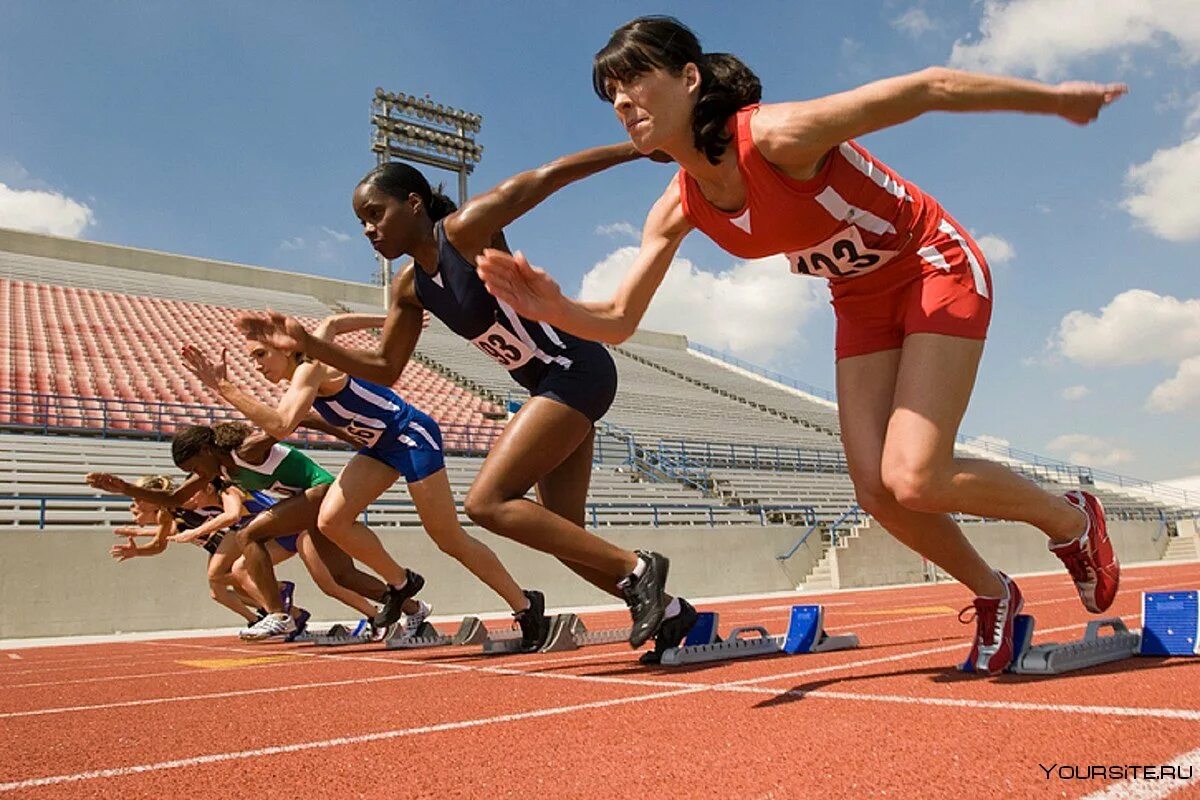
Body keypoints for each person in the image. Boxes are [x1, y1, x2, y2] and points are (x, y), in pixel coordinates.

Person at [475, 15, 1125, 674]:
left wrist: (1056, 100)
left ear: (689, 77)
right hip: (857, 300)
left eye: (634, 78)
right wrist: (550, 308)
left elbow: (928, 87)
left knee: (915, 475)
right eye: (608, 92)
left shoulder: (777, 135)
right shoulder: (677, 205)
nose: (619, 101)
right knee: (876, 491)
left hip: (932, 263)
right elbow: (616, 319)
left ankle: (1071, 521)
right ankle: (994, 592)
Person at [241, 142, 698, 656]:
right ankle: (674, 611)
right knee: (566, 538)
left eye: (376, 214)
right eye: (360, 223)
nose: (369, 230)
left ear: (413, 202)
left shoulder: (464, 230)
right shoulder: (409, 287)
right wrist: (309, 345)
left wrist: (639, 150)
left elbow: (544, 176)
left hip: (576, 370)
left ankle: (640, 569)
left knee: (486, 502)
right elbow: (385, 368)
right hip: (549, 386)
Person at [179, 312, 550, 652]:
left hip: (410, 436)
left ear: (284, 347)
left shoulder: (311, 370)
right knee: (330, 520)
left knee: (448, 538)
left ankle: (524, 604)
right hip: (379, 447)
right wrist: (390, 320)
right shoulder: (305, 364)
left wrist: (224, 387)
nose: (256, 366)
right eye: (252, 359)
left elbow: (280, 424)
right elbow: (334, 323)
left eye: (260, 355)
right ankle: (401, 583)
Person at [87, 421, 422, 640]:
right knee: (342, 577)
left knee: (249, 535)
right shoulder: (215, 469)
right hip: (304, 507)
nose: (193, 474)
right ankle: (415, 613)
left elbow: (290, 419)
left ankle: (279, 614)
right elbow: (173, 497)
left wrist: (345, 434)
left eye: (192, 467)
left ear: (205, 451)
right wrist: (124, 487)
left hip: (320, 492)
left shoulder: (246, 450)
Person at [109, 474, 307, 630]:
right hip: (244, 526)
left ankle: (276, 603)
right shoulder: (167, 512)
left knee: (225, 576)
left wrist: (195, 531)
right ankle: (286, 611)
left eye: (139, 498)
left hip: (250, 525)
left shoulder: (192, 496)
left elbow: (228, 513)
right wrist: (138, 552)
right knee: (230, 582)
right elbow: (160, 544)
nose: (136, 503)